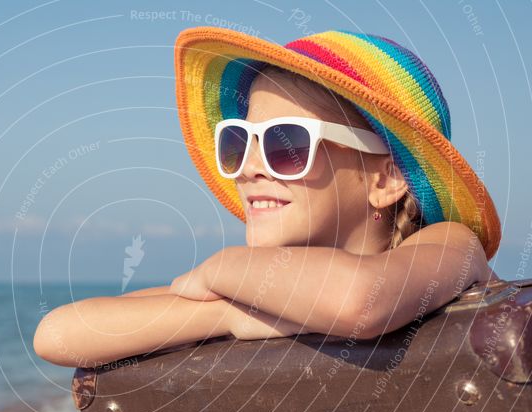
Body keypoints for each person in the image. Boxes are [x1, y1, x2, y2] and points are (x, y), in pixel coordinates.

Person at [34, 27, 502, 368]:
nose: (251, 167)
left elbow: (363, 299)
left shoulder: (451, 245)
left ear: (386, 178)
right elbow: (58, 334)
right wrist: (229, 314)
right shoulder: (251, 294)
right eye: (239, 143)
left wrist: (225, 270)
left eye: (286, 144)